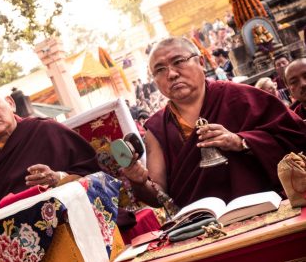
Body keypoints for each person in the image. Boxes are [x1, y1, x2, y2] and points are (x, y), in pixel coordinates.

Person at [121, 37, 306, 208]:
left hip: (262, 209)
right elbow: (159, 195)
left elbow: (296, 138)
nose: (171, 74)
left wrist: (242, 142)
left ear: (201, 62)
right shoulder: (157, 128)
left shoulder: (239, 96)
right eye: (160, 70)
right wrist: (139, 182)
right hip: (201, 227)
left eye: (178, 62)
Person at [0, 88, 99, 207]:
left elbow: (95, 175)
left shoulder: (47, 130)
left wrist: (58, 178)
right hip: (12, 232)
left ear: (10, 104)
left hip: (68, 217)